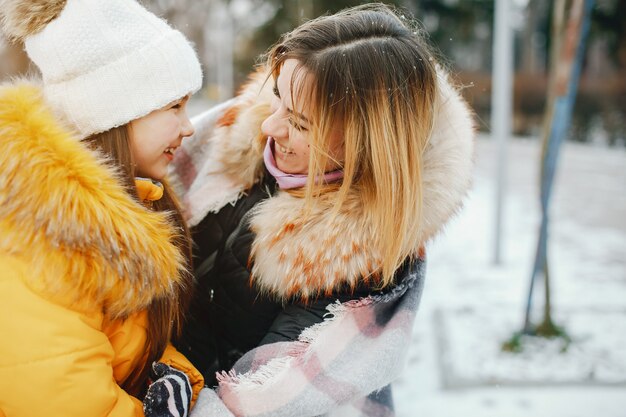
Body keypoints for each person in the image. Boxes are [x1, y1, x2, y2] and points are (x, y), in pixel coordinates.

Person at [167, 4, 474, 416]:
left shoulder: (363, 270)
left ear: (367, 145)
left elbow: (256, 405)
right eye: (277, 99)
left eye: (299, 123)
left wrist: (157, 383)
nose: (270, 127)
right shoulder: (240, 137)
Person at [0, 0, 206, 415]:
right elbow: (58, 393)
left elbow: (121, 339)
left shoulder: (123, 205)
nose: (189, 126)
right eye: (174, 106)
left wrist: (174, 374)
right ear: (115, 113)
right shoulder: (41, 234)